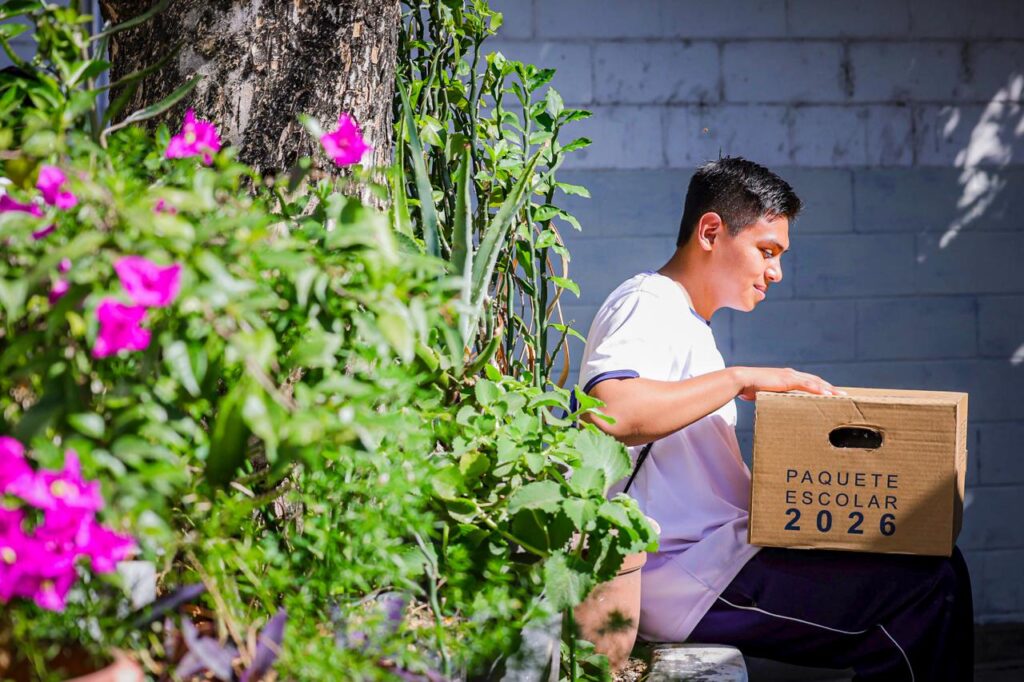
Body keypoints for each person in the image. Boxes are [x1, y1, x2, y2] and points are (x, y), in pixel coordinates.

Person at [575, 157, 973, 681]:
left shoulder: (687, 321)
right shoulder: (647, 302)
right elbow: (612, 409)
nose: (776, 271)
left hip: (724, 557)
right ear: (711, 231)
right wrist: (740, 379)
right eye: (767, 251)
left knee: (936, 563)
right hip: (687, 578)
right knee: (927, 589)